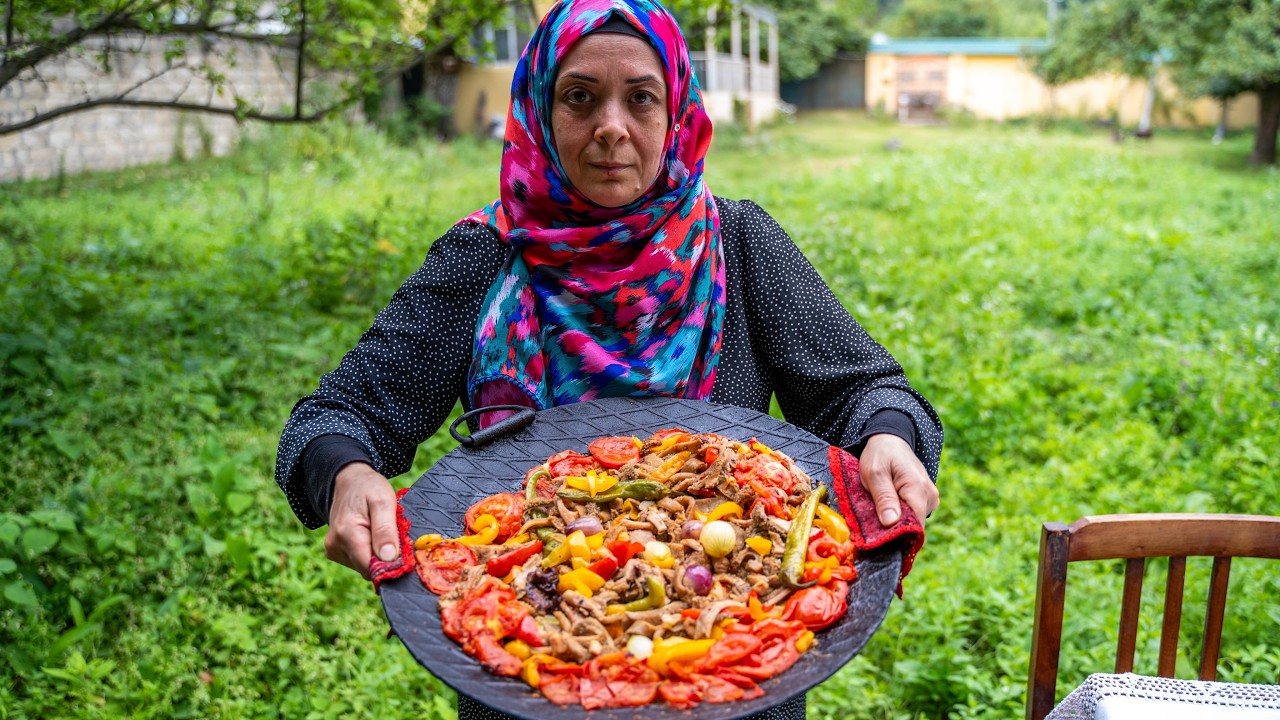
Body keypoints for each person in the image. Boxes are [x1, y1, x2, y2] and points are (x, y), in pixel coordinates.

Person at [275, 0, 942, 717]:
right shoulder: (483, 258)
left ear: (676, 111)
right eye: (580, 98)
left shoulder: (740, 245)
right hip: (528, 670)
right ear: (539, 110)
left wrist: (887, 436)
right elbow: (339, 414)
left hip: (735, 672)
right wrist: (344, 471)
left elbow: (864, 390)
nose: (612, 127)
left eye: (642, 98)